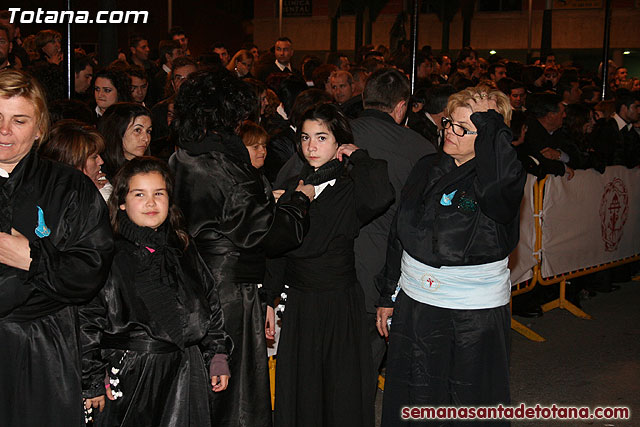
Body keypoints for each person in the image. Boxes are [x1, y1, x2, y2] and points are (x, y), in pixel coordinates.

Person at [170, 68, 314, 427]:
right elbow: (267, 233)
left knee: (201, 377)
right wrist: (298, 202)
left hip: (188, 277)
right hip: (228, 286)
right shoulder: (227, 167)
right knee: (233, 391)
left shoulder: (181, 156)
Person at [376, 86, 526, 426]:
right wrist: (388, 293)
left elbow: (499, 183)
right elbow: (400, 230)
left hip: (472, 315)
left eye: (464, 128)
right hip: (417, 304)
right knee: (417, 393)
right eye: (448, 122)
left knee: (468, 401)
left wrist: (489, 122)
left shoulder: (499, 181)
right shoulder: (427, 166)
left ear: (489, 134)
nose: (450, 132)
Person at [264, 103, 394, 427]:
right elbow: (279, 248)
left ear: (338, 143)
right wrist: (269, 298)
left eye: (322, 137)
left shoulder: (350, 187)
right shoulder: (294, 182)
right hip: (301, 301)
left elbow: (382, 195)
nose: (311, 146)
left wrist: (358, 156)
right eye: (306, 137)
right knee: (302, 386)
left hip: (338, 300)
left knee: (340, 388)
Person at [79, 157, 231, 426]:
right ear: (122, 202)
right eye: (140, 194)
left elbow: (209, 300)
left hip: (186, 368)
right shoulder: (106, 252)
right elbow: (87, 319)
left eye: (158, 193)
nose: (151, 203)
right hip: (132, 369)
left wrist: (216, 354)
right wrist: (91, 378)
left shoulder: (182, 245)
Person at [0, 69, 114, 426]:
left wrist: (32, 259)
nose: (4, 131)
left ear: (39, 129)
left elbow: (90, 273)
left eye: (19, 120)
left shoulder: (70, 187)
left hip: (42, 347)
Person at [39, 119, 112, 200]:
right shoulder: (45, 195)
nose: (101, 162)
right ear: (73, 161)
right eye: (94, 157)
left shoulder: (101, 182)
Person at [97, 102, 152, 179]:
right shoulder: (99, 171)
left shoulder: (152, 169)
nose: (146, 138)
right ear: (117, 131)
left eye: (148, 131)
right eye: (137, 130)